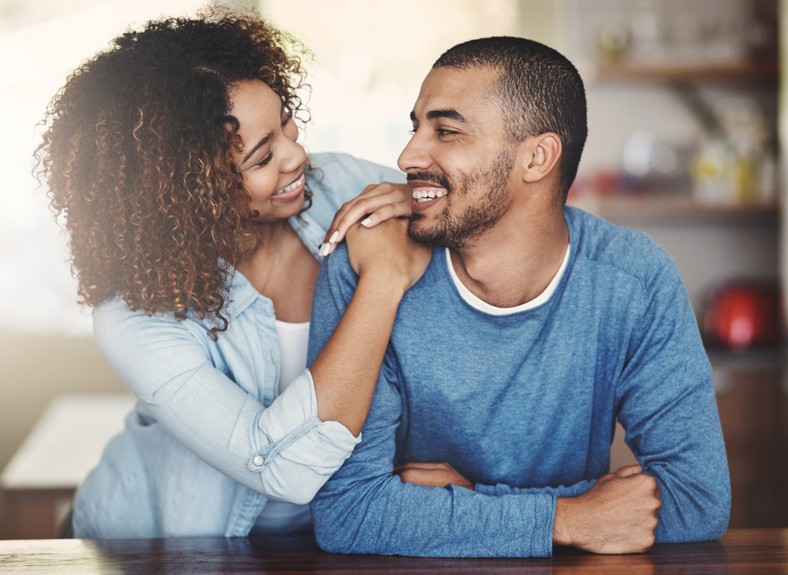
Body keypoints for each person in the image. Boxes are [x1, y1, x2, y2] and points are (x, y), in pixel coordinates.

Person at [308, 36, 731, 557]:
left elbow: (697, 499)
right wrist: (569, 520)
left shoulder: (634, 281)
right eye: (415, 127)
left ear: (536, 157)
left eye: (446, 131)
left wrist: (473, 506)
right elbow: (347, 512)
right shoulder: (369, 269)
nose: (407, 155)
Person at [34, 8, 429, 538]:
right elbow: (281, 468)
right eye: (263, 159)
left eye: (286, 124)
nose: (298, 156)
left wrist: (430, 205)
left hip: (327, 540)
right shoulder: (136, 314)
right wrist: (384, 277)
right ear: (187, 195)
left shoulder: (342, 184)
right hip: (165, 552)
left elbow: (491, 222)